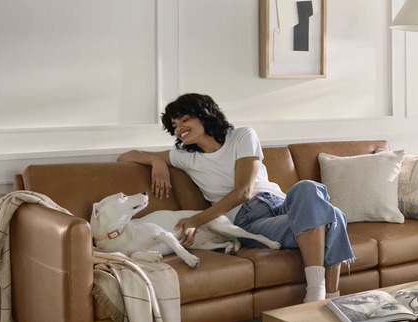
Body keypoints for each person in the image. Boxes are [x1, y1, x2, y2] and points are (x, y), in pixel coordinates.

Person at [118, 93, 354, 302]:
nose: (179, 127)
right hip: (250, 221)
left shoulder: (242, 136)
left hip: (283, 205)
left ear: (205, 115)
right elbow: (126, 156)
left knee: (308, 187)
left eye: (184, 119)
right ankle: (324, 294)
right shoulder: (184, 156)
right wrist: (156, 160)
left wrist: (197, 219)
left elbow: (244, 191)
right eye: (174, 124)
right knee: (333, 215)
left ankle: (322, 295)